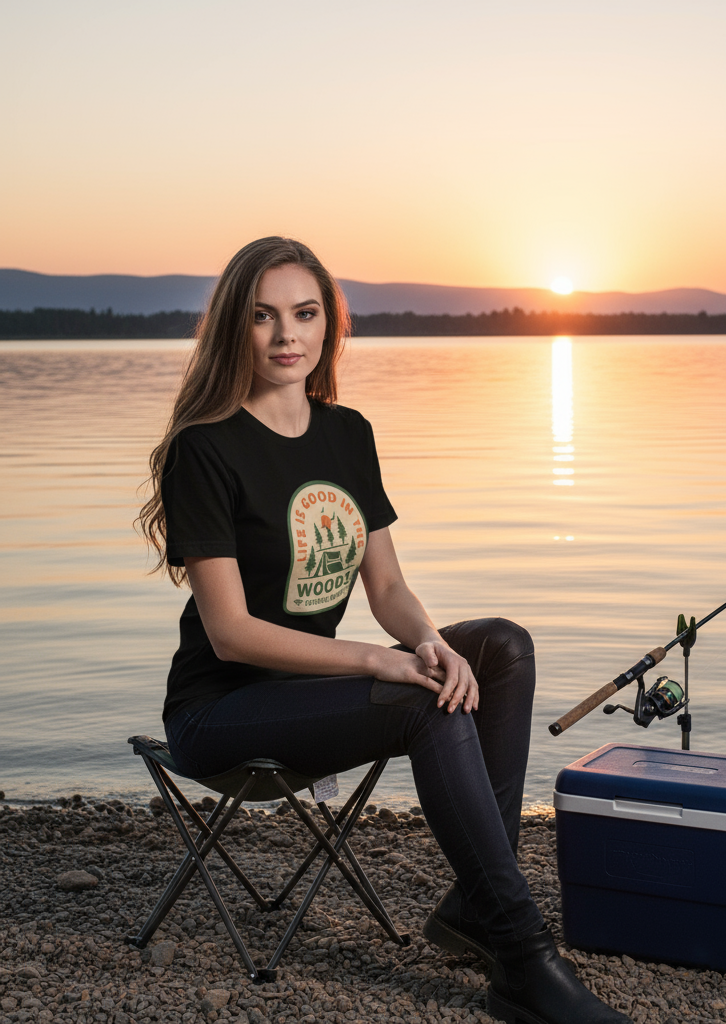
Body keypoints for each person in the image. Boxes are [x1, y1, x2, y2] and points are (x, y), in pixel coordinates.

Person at [138, 237, 630, 1024]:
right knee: (413, 703)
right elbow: (230, 633)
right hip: (222, 711)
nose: (286, 336)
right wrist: (381, 661)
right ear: (235, 326)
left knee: (497, 649)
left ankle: (474, 907)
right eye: (263, 317)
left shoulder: (347, 433)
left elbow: (389, 585)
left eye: (305, 314)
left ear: (330, 326)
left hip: (322, 690)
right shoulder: (207, 449)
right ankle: (523, 958)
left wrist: (427, 642)